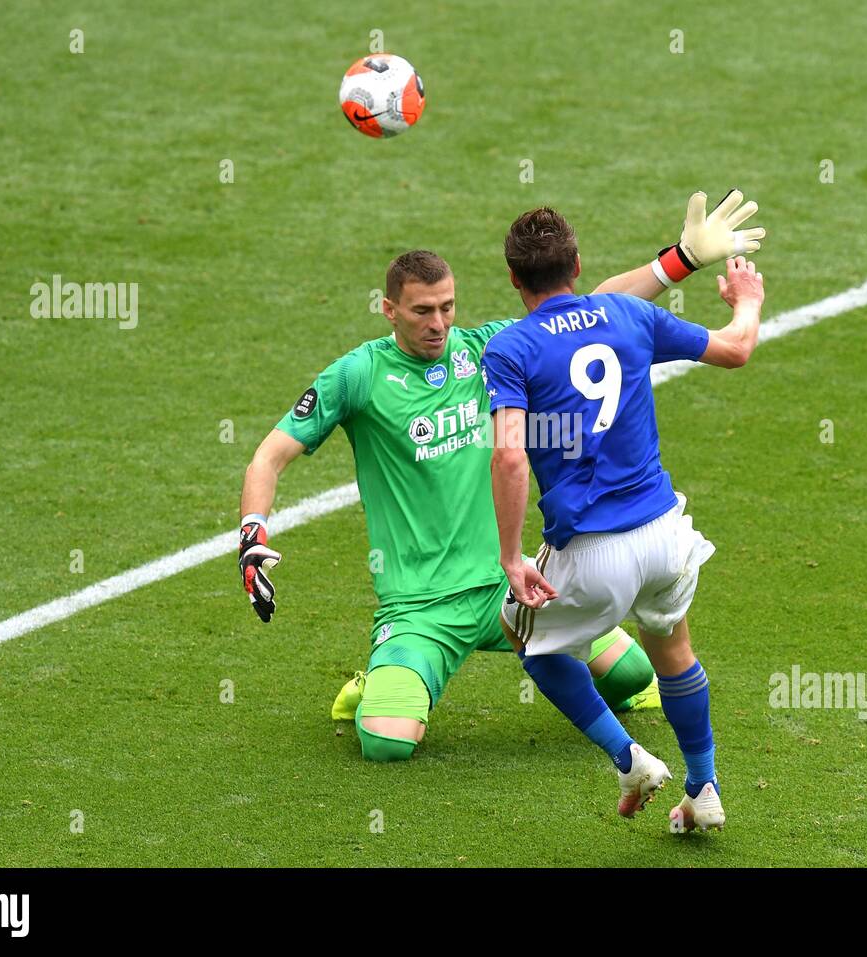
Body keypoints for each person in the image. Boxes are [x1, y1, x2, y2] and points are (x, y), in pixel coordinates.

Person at [236, 217, 724, 761]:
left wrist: (679, 259)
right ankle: (381, 676)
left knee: (632, 677)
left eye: (447, 307)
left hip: (508, 585)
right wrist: (252, 532)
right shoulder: (359, 375)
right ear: (389, 309)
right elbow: (270, 455)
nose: (438, 323)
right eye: (422, 311)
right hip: (422, 604)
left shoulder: (487, 352)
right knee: (387, 745)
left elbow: (591, 308)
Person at [481, 199, 765, 829]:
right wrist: (745, 296)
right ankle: (704, 786)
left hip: (592, 549)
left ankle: (628, 757)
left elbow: (508, 458)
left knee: (529, 640)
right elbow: (737, 350)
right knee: (674, 651)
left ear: (511, 278)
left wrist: (510, 557)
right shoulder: (628, 313)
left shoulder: (509, 349)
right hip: (666, 533)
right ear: (577, 265)